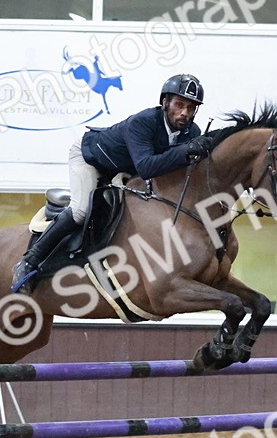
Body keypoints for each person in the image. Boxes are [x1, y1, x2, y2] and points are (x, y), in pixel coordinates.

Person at [11, 73, 213, 291]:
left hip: (123, 168)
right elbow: (147, 167)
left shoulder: (192, 132)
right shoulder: (144, 122)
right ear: (165, 102)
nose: (184, 112)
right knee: (81, 210)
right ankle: (28, 261)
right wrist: (186, 151)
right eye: (179, 104)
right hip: (90, 159)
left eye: (191, 107)